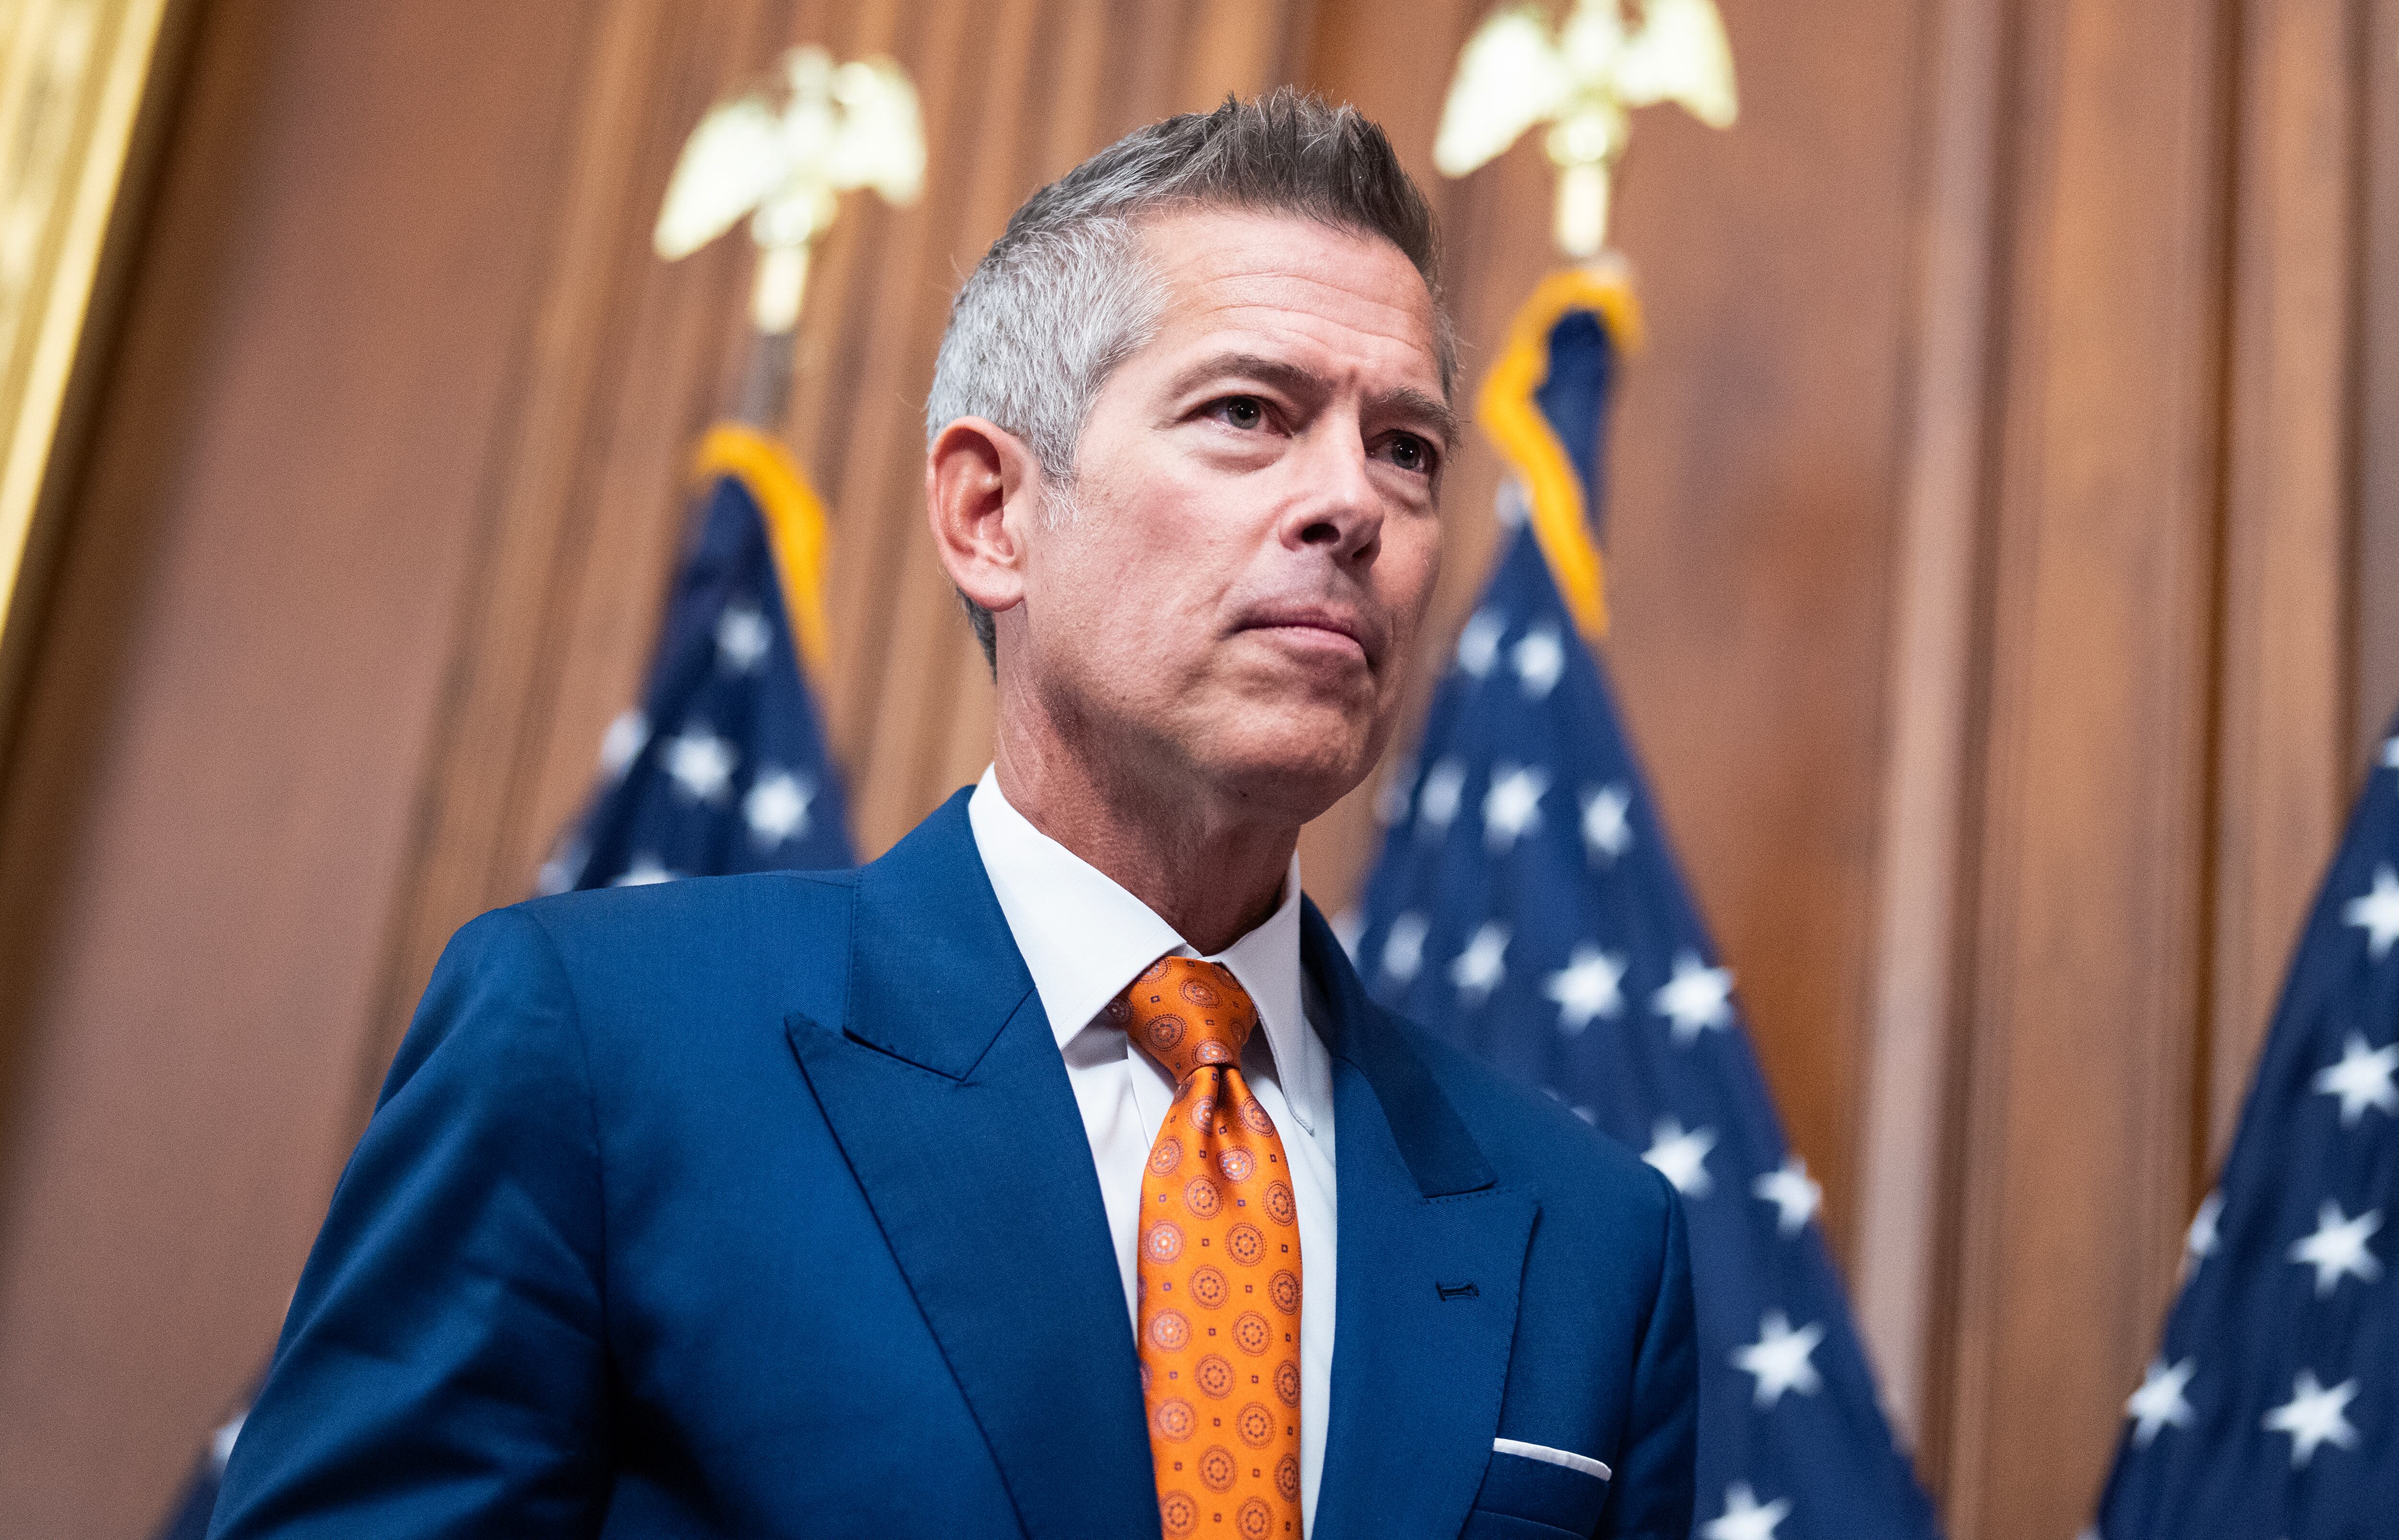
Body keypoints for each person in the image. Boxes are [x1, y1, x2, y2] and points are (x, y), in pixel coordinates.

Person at [210, 90, 1695, 1540]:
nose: (1353, 503)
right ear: (992, 513)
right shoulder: (600, 1053)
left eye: (1407, 448)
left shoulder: (1595, 1240)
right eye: (1249, 413)